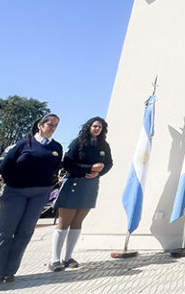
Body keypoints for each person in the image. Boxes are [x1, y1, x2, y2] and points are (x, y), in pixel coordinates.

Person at [0, 113, 63, 285]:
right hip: (16, 192)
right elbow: (6, 165)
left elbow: (55, 168)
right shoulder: (23, 144)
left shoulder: (57, 148)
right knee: (5, 232)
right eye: (49, 123)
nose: (52, 127)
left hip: (39, 194)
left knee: (25, 232)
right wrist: (13, 183)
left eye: (55, 125)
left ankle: (10, 271)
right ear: (40, 125)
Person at [50, 116, 113, 270]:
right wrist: (89, 169)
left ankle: (68, 257)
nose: (97, 129)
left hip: (90, 185)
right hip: (75, 182)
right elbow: (69, 163)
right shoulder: (78, 142)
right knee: (64, 222)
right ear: (88, 127)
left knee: (77, 222)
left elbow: (109, 163)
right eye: (95, 126)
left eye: (100, 127)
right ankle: (54, 259)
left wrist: (98, 173)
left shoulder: (103, 145)